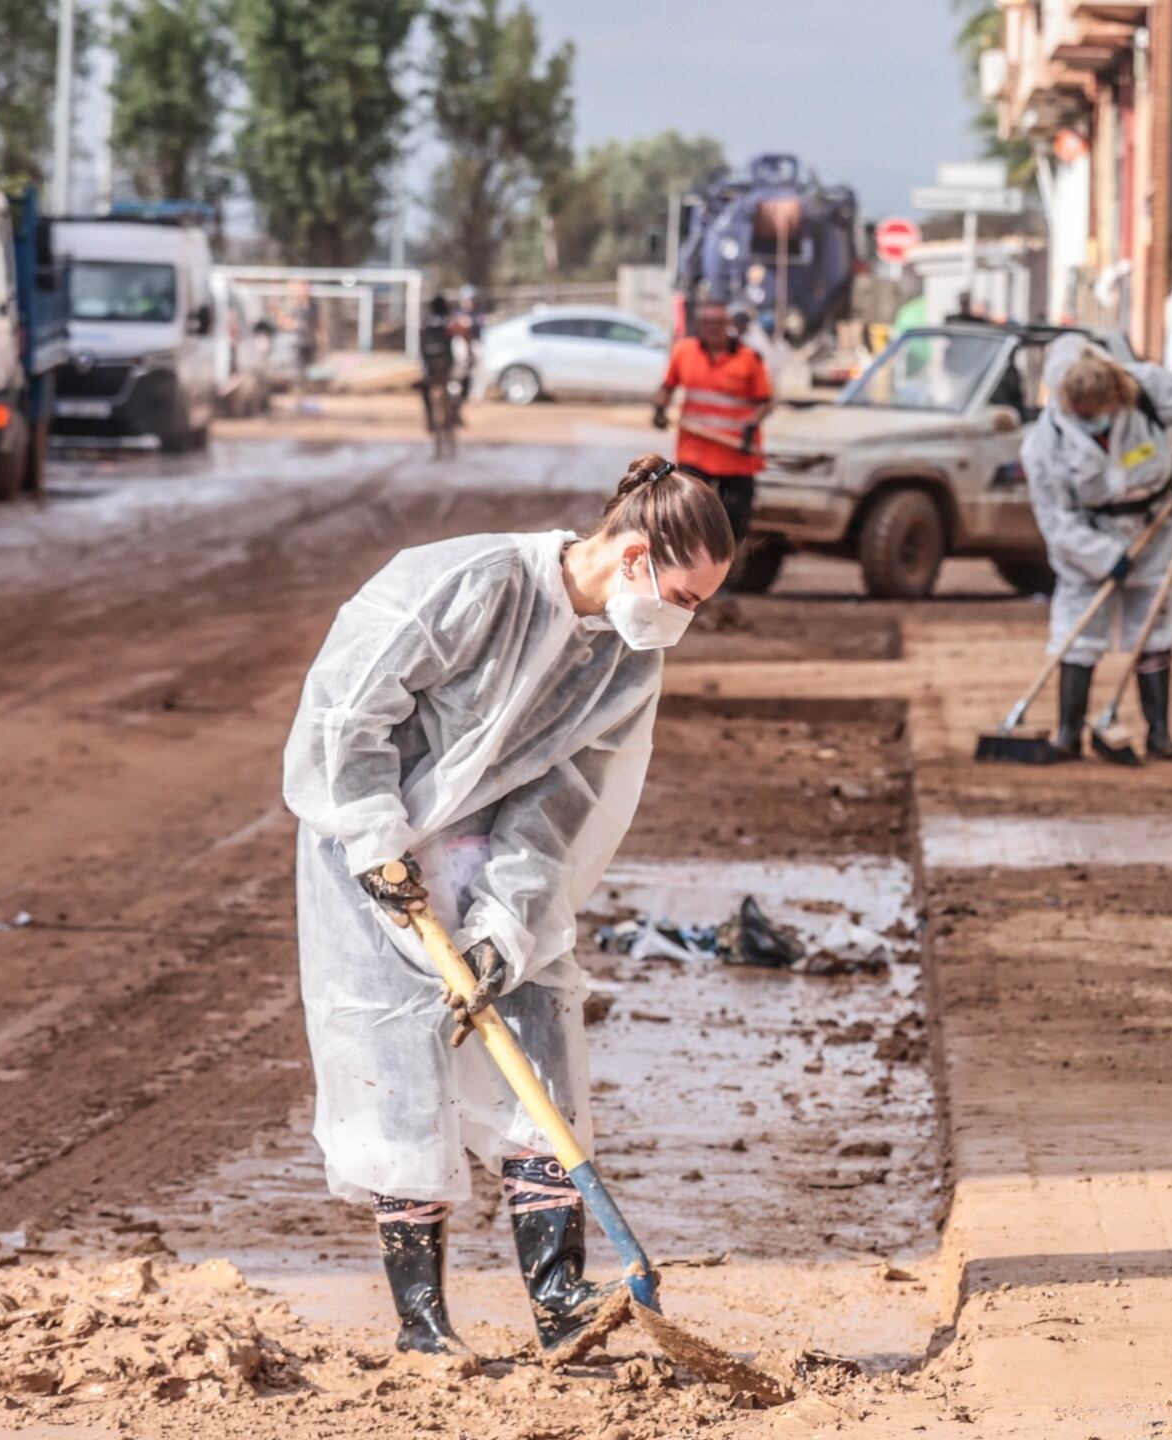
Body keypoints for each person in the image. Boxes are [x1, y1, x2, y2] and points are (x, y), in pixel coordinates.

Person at [283, 456, 735, 1358]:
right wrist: (373, 839)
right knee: (397, 1072)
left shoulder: (622, 660)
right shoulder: (470, 583)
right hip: (376, 847)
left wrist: (506, 928)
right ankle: (423, 1324)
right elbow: (348, 711)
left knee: (541, 1056)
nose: (682, 620)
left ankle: (562, 1299)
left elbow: (565, 799)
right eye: (683, 596)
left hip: (496, 867)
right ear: (635, 555)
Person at [1020, 337, 1172, 760]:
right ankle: (1067, 733)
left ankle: (1160, 734)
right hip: (1089, 536)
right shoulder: (1045, 444)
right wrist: (1101, 556)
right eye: (1082, 415)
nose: (1091, 421)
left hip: (1157, 524)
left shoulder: (1148, 390)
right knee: (1077, 630)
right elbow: (1055, 520)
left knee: (1154, 624)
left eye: (1097, 412)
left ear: (1115, 396)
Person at [653, 298, 776, 559]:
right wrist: (660, 409)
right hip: (694, 452)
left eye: (718, 323)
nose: (712, 328)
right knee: (688, 514)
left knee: (734, 520)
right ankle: (685, 565)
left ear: (728, 325)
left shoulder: (749, 359)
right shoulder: (684, 352)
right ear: (700, 325)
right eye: (707, 322)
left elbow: (765, 403)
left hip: (736, 456)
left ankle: (727, 571)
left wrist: (750, 426)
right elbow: (667, 387)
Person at [416, 294, 458, 442]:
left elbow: (421, 346)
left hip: (430, 365)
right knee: (455, 387)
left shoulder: (426, 322)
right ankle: (456, 414)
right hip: (446, 363)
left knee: (426, 391)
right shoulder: (448, 321)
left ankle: (430, 420)